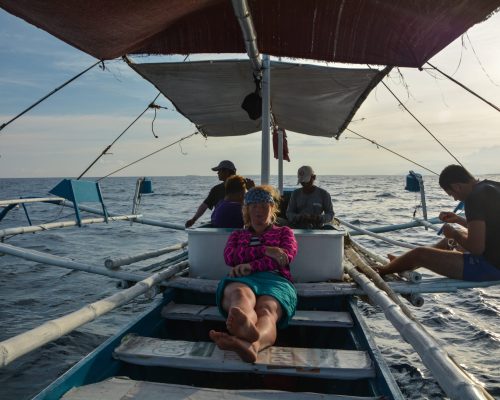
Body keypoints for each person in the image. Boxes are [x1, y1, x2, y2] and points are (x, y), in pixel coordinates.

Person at [209, 186, 298, 363]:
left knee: (267, 310)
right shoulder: (237, 235)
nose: (259, 211)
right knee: (241, 295)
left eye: (264, 206)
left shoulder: (284, 233)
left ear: (272, 208)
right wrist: (266, 250)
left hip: (275, 279)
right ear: (247, 210)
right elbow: (230, 257)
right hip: (243, 279)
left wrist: (250, 265)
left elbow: (284, 258)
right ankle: (246, 330)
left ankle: (252, 346)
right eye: (254, 206)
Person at [378, 165, 500, 281]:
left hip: (491, 266)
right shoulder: (492, 186)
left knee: (420, 254)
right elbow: (491, 227)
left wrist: (454, 233)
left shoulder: (473, 198)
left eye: (452, 194)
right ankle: (400, 263)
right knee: (447, 242)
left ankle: (382, 270)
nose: (455, 199)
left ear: (457, 187)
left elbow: (476, 248)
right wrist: (458, 220)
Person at [185, 160, 236, 228]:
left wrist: (193, 219)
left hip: (220, 226)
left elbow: (205, 205)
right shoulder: (244, 187)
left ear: (226, 172)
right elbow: (205, 205)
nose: (217, 173)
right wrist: (193, 219)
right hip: (237, 226)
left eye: (219, 170)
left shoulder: (218, 189)